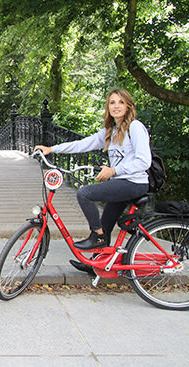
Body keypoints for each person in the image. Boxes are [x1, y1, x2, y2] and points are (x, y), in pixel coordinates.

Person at [34, 88, 151, 273]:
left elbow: (144, 161)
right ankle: (96, 263)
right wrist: (52, 149)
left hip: (134, 183)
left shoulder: (135, 127)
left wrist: (114, 170)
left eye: (121, 102)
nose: (116, 106)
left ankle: (97, 237)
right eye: (112, 102)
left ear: (129, 106)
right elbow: (82, 144)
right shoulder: (110, 131)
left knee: (85, 193)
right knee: (105, 224)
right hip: (120, 183)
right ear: (108, 107)